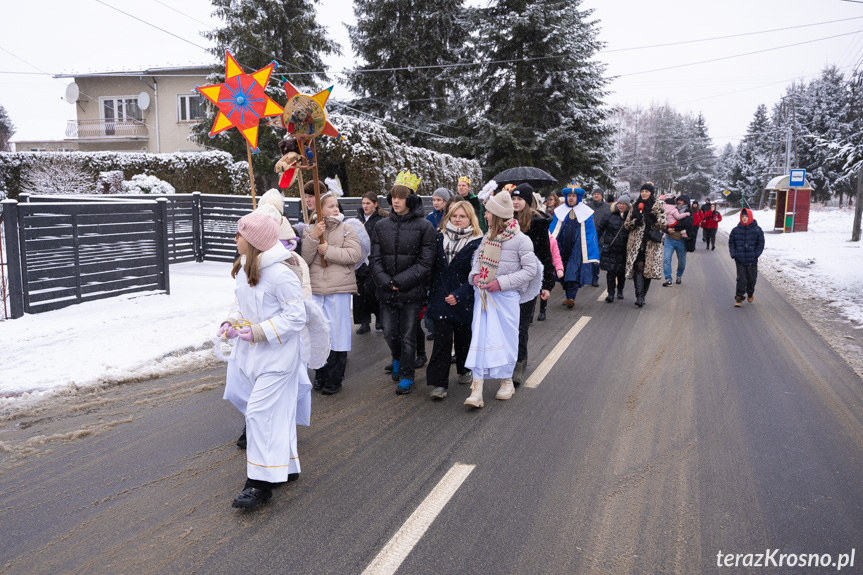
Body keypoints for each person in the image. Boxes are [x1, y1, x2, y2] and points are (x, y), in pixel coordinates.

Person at [218, 211, 306, 510]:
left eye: (239, 234)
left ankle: (259, 483)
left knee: (258, 413)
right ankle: (287, 467)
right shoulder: (245, 269)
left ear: (254, 241)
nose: (235, 238)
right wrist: (232, 322)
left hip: (279, 357)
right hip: (253, 357)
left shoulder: (281, 275)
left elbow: (296, 316)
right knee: (275, 412)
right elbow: (242, 304)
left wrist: (259, 332)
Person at [464, 190, 539, 408]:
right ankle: (476, 389)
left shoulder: (521, 240)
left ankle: (506, 381)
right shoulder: (488, 238)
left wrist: (501, 283)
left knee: (505, 340)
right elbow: (477, 263)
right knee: (480, 339)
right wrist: (476, 276)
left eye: (488, 213)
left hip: (506, 299)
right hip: (484, 298)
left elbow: (530, 270)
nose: (485, 216)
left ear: (497, 215)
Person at [369, 170, 437, 395]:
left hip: (411, 292)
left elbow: (425, 262)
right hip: (387, 291)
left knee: (408, 335)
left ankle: (407, 375)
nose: (396, 200)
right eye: (393, 196)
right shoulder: (381, 226)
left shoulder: (424, 227)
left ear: (411, 200)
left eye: (401, 196)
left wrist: (400, 281)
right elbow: (375, 258)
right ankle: (396, 358)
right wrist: (386, 281)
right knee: (389, 332)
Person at [301, 193, 362, 395]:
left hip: (339, 289)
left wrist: (328, 250)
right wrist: (313, 237)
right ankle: (320, 372)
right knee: (319, 332)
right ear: (319, 210)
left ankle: (335, 377)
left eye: (337, 206)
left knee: (337, 333)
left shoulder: (347, 229)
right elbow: (305, 259)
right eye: (330, 206)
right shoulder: (309, 230)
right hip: (317, 289)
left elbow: (354, 255)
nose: (336, 209)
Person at [425, 202, 483, 399]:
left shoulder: (478, 242)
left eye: (462, 216)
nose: (458, 219)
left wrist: (460, 293)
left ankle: (464, 369)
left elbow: (477, 275)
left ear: (470, 219)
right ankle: (439, 384)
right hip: (440, 296)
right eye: (454, 216)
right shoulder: (438, 237)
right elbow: (432, 268)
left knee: (463, 337)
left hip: (464, 297)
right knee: (441, 340)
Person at [511, 183, 553, 386]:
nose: (516, 202)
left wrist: (547, 284)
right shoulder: (505, 220)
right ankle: (508, 359)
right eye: (513, 198)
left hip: (529, 279)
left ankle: (520, 361)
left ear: (528, 201)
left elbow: (545, 254)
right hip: (508, 279)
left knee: (521, 324)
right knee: (508, 323)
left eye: (520, 199)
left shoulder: (537, 224)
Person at [549, 183, 600, 309]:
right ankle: (568, 294)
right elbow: (553, 229)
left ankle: (571, 296)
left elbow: (590, 232)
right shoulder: (559, 211)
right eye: (569, 196)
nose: (571, 198)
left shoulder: (586, 212)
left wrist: (589, 248)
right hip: (561, 246)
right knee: (562, 271)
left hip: (577, 247)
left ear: (578, 197)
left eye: (573, 196)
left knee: (573, 271)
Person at [624, 182, 667, 307]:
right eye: (642, 191)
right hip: (636, 244)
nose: (644, 193)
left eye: (646, 191)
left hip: (651, 243)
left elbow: (664, 223)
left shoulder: (658, 206)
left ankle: (643, 295)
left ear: (651, 193)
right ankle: (639, 296)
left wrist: (655, 220)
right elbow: (626, 225)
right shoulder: (635, 205)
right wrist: (634, 222)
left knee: (647, 271)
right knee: (639, 267)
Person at [354, 192, 387, 334]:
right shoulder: (358, 219)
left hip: (373, 261)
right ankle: (364, 322)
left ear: (375, 204)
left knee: (373, 292)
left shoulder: (380, 220)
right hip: (359, 262)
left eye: (368, 203)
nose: (365, 206)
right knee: (360, 294)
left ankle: (380, 318)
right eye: (363, 203)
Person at [596, 194, 631, 302]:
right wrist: (596, 241)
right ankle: (610, 293)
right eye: (620, 203)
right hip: (610, 248)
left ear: (627, 206)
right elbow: (600, 229)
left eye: (624, 204)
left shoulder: (630, 217)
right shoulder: (609, 214)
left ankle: (620, 290)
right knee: (611, 272)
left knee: (621, 272)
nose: (621, 206)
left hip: (624, 249)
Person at [728, 208, 765, 307]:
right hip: (739, 259)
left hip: (752, 260)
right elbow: (731, 243)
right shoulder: (736, 230)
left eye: (746, 216)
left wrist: (756, 254)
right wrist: (733, 253)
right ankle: (739, 298)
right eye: (743, 216)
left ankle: (750, 292)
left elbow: (761, 243)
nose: (744, 218)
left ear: (750, 217)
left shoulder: (757, 230)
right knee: (741, 279)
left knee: (752, 279)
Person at [662, 195, 693, 286]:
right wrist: (667, 229)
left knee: (682, 261)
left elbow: (686, 224)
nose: (679, 202)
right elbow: (662, 222)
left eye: (681, 201)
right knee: (667, 259)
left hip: (681, 240)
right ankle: (668, 279)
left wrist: (672, 227)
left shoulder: (688, 212)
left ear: (686, 202)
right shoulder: (670, 209)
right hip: (669, 239)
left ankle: (679, 275)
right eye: (678, 200)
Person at [586, 187, 611, 287]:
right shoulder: (587, 206)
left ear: (602, 196)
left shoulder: (607, 207)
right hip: (589, 236)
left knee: (596, 260)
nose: (596, 195)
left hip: (601, 237)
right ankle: (589, 277)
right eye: (594, 194)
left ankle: (594, 278)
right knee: (589, 259)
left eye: (598, 194)